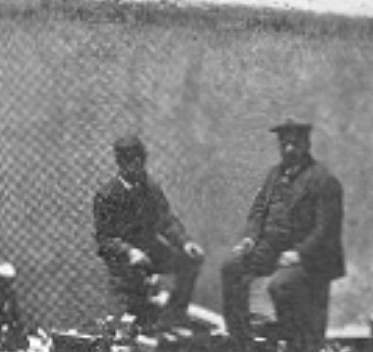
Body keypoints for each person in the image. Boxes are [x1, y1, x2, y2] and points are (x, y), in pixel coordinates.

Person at [220, 118, 344, 352]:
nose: (289, 149)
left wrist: (299, 254)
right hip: (271, 248)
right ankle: (241, 340)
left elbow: (326, 229)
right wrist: (249, 239)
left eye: (295, 144)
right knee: (231, 267)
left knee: (281, 285)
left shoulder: (323, 179)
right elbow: (258, 211)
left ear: (306, 145)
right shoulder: (273, 174)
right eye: (284, 144)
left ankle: (294, 341)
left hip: (308, 254)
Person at [93, 134, 203, 325]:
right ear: (121, 164)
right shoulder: (106, 196)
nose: (137, 167)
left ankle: (174, 316)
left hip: (150, 249)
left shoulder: (150, 187)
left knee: (190, 261)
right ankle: (144, 323)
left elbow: (166, 220)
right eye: (131, 162)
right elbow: (104, 239)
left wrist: (185, 242)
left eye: (140, 161)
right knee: (139, 290)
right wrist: (129, 251)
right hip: (122, 259)